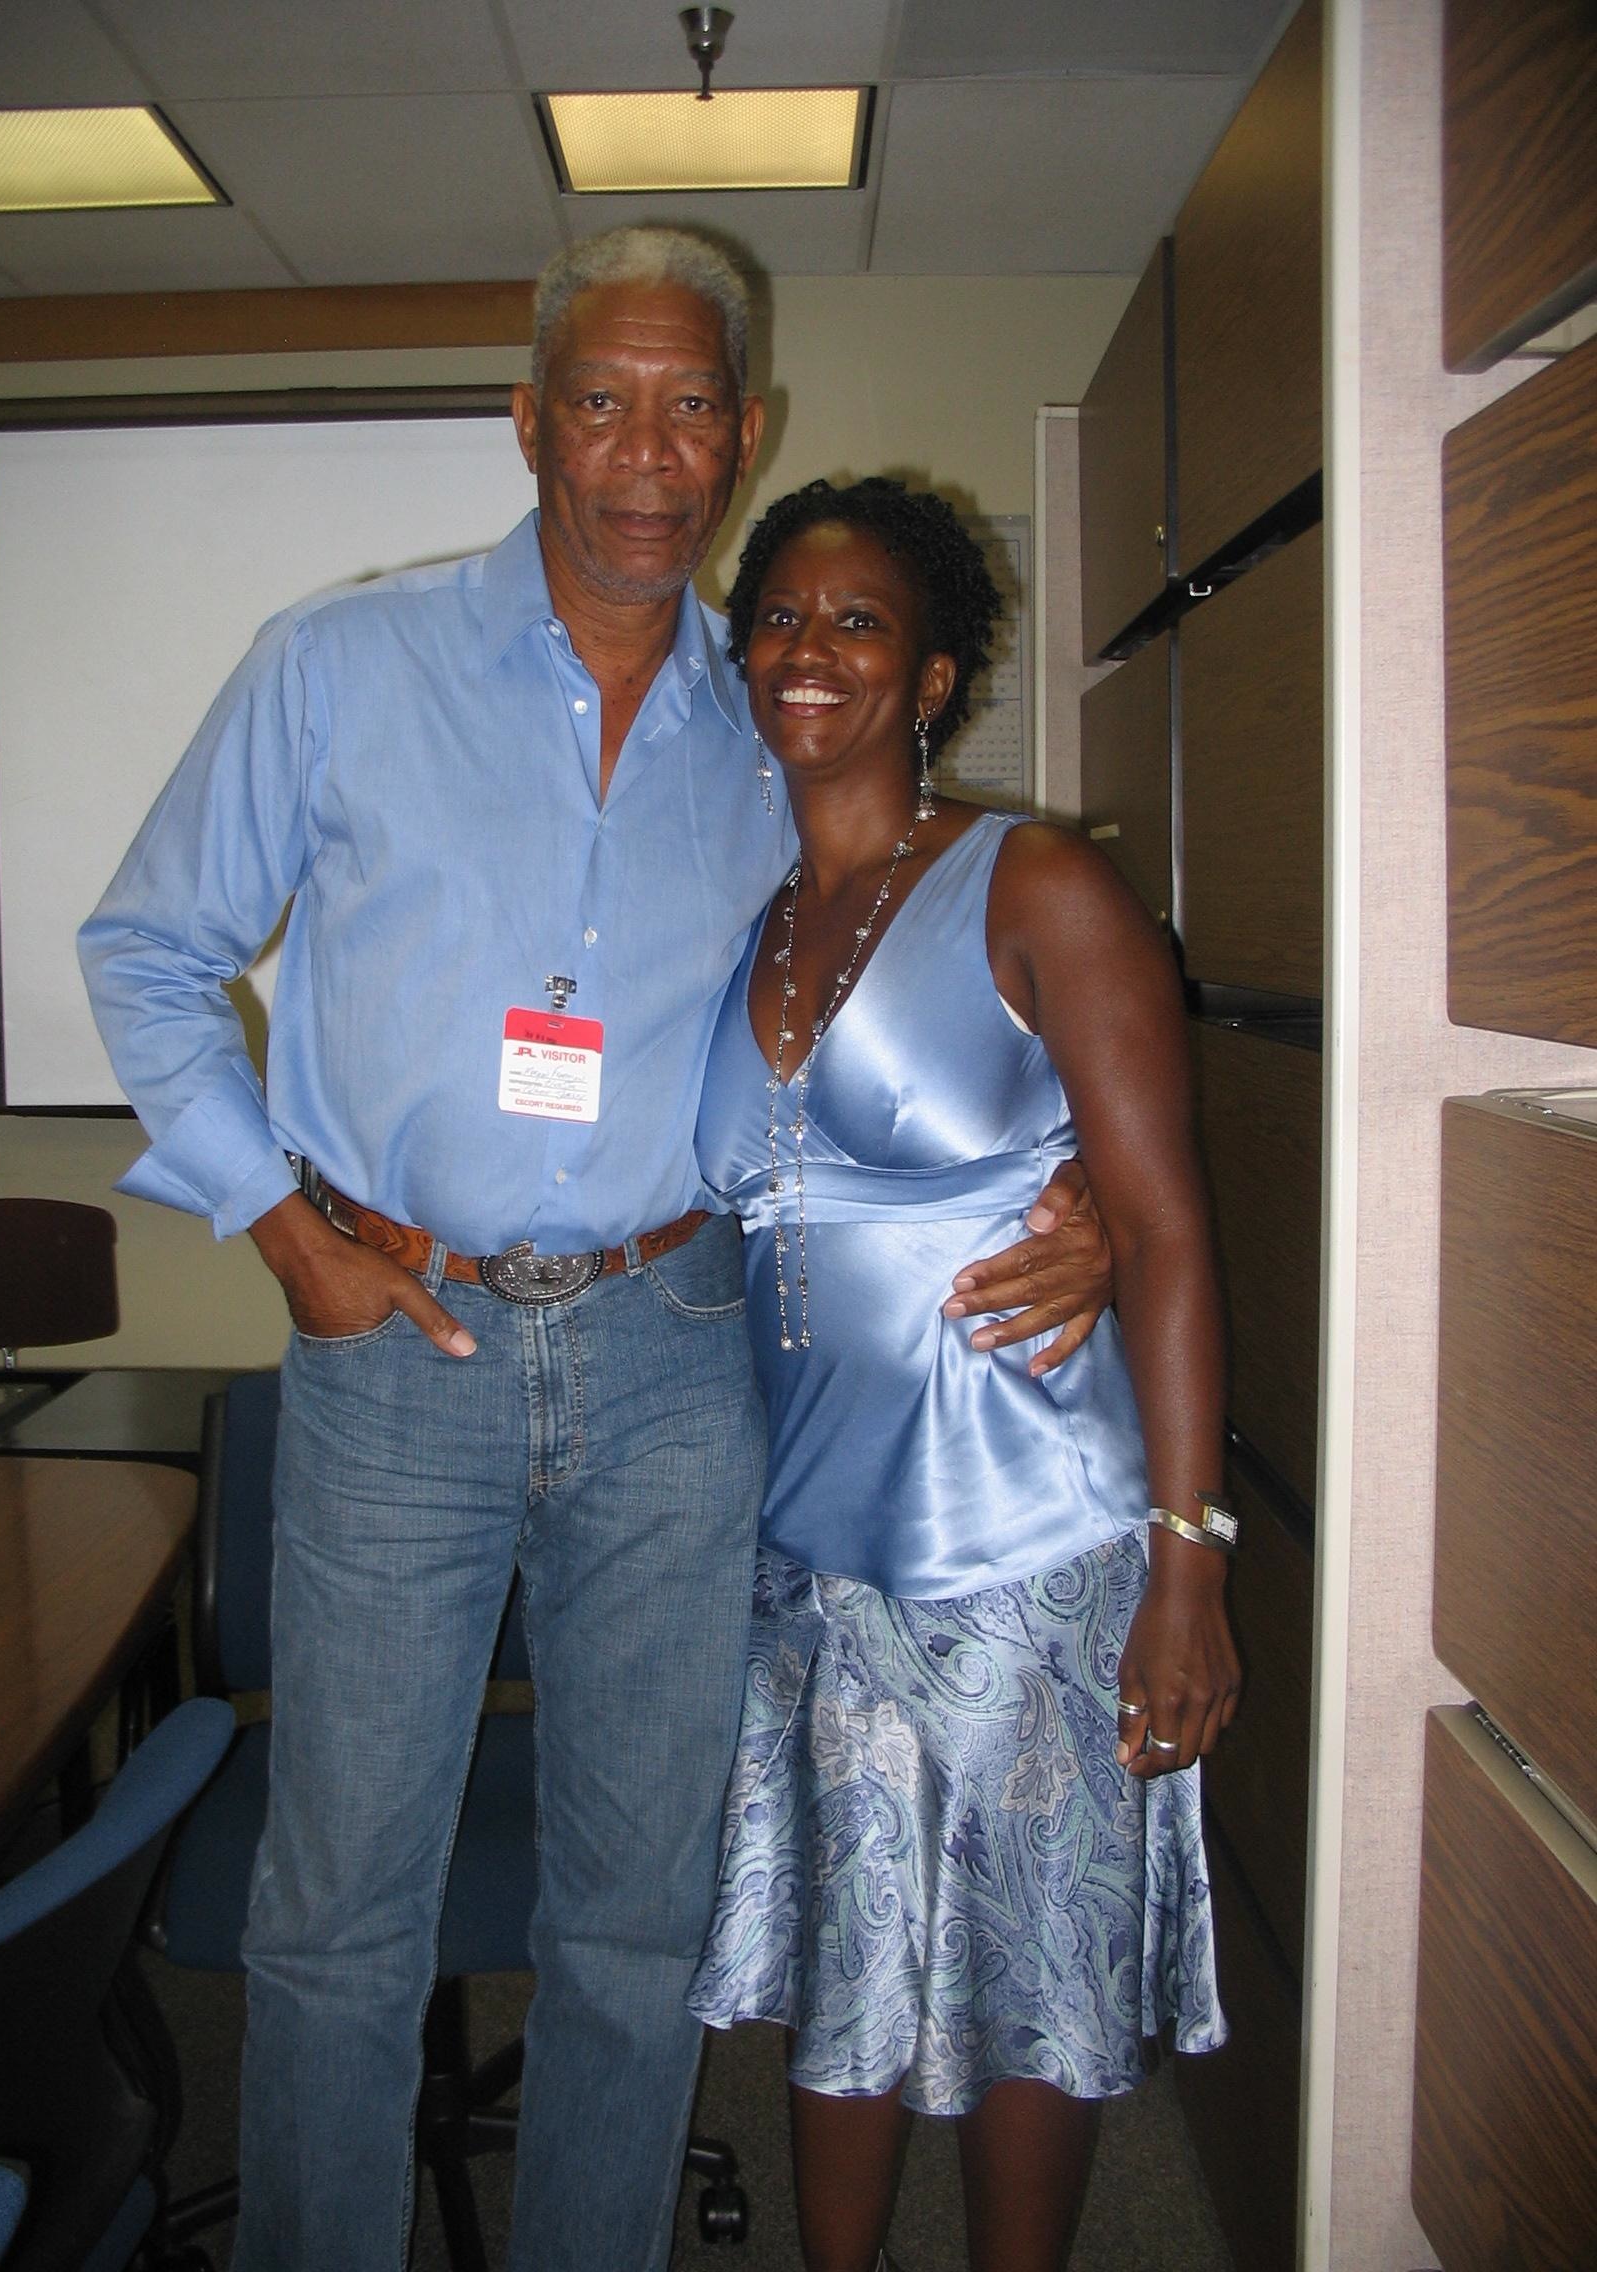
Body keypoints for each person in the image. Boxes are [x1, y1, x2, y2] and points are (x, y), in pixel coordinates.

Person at [79, 231, 1112, 2272]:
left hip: (677, 1351)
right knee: (340, 1910)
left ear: (748, 431)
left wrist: (1058, 1177)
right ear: (535, 419)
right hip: (402, 1342)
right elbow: (148, 948)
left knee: (636, 1909)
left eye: (695, 403)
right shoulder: (339, 666)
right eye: (608, 400)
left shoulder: (777, 708)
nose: (652, 450)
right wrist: (278, 1223)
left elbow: (910, 961)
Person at [686, 478, 1239, 2272]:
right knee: (846, 1969)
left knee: (1031, 1990)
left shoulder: (1039, 882)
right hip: (813, 1560)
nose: (807, 652)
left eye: (857, 624)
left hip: (1030, 1554)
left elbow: (1160, 1232)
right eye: (778, 617)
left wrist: (1190, 1560)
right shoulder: (748, 919)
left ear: (931, 676)